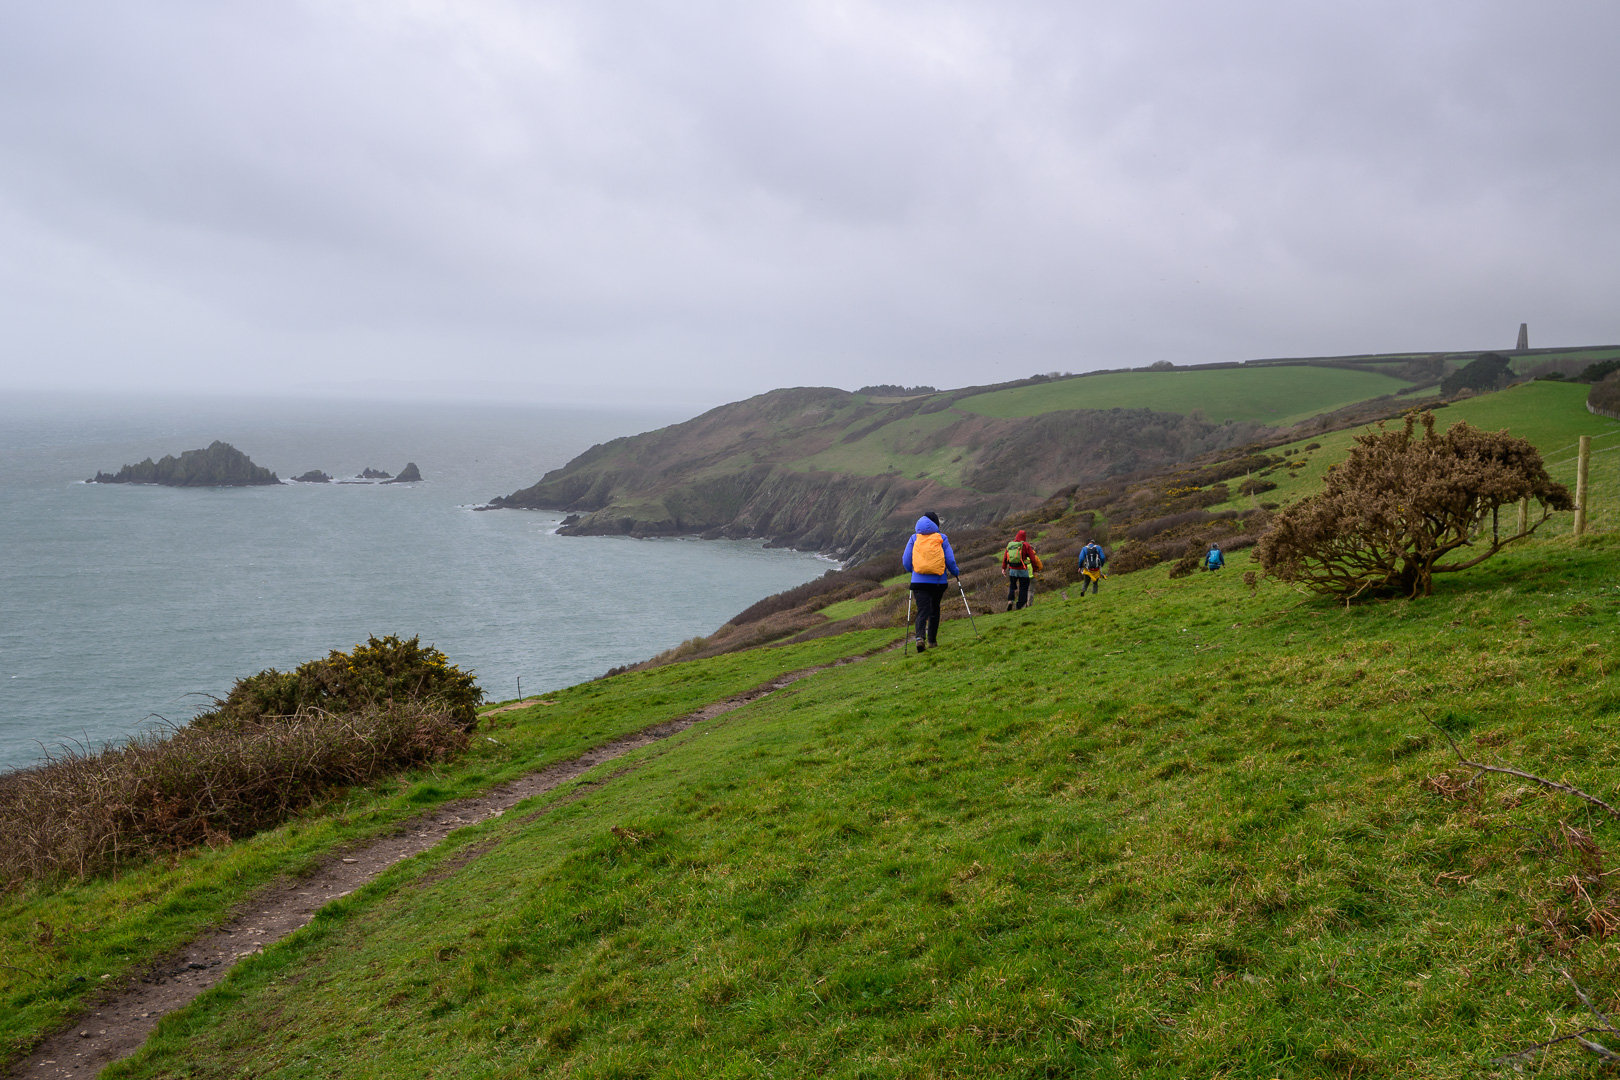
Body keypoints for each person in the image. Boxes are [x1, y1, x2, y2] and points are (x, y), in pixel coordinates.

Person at [901, 512, 960, 652]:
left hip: (918, 582)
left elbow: (906, 560)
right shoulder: (942, 538)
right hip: (938, 582)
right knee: (934, 609)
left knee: (922, 609)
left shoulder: (914, 538)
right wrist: (955, 572)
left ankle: (919, 638)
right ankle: (932, 641)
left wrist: (913, 571)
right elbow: (950, 560)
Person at [1001, 529, 1043, 611]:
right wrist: (1034, 569)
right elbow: (1032, 559)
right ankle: (1019, 606)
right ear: (1024, 537)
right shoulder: (1026, 545)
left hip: (1012, 570)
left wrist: (1003, 568)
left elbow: (1005, 557)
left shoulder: (1010, 544)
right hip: (1022, 570)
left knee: (1012, 586)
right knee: (1023, 588)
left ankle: (1010, 600)